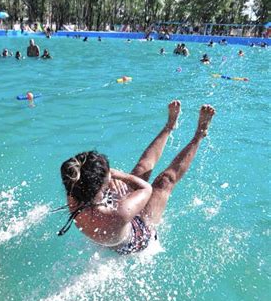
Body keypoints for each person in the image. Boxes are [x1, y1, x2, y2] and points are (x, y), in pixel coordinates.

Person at [58, 101, 216, 255]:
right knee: (164, 181)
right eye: (109, 172)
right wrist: (121, 176)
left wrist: (107, 175)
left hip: (110, 221)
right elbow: (146, 189)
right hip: (137, 237)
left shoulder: (74, 187)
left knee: (140, 168)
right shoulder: (119, 213)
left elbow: (84, 172)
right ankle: (200, 134)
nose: (111, 172)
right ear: (99, 186)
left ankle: (169, 127)